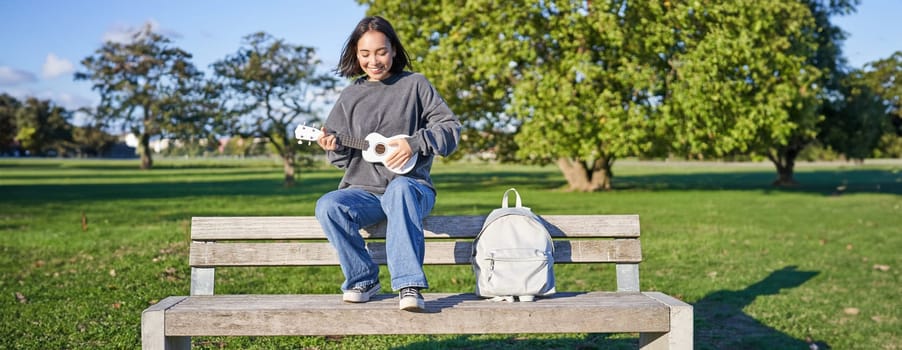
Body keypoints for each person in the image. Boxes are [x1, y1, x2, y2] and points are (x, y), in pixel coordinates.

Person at [314, 16, 461, 312]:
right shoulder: (350, 95)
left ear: (393, 49)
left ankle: (409, 284)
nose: (374, 61)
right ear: (356, 54)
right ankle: (363, 278)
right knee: (328, 205)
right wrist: (332, 146)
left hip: (412, 189)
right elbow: (341, 160)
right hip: (364, 194)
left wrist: (414, 143)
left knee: (400, 190)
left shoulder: (415, 85)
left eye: (381, 51)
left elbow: (451, 129)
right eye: (365, 54)